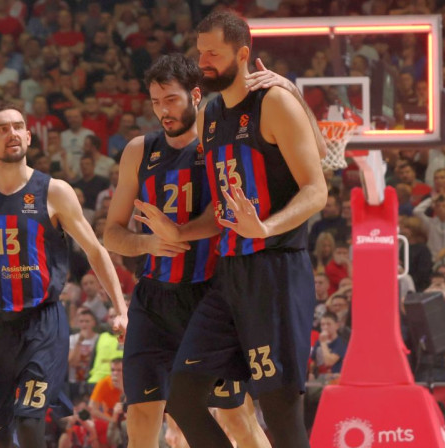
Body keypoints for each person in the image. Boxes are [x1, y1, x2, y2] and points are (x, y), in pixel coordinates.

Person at [134, 11, 327, 448]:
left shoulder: (275, 102)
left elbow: (317, 191)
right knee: (182, 397)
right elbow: (220, 210)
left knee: (280, 417)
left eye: (213, 53)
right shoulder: (209, 114)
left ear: (242, 54)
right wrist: (179, 231)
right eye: (200, 51)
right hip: (231, 273)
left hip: (276, 271)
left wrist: (265, 225)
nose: (203, 61)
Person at [0, 100, 128, 448]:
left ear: (29, 137)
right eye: (2, 129)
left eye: (17, 127)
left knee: (31, 422)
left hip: (41, 323)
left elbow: (95, 250)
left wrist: (121, 309)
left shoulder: (55, 191)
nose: (11, 134)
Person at [104, 53, 269, 448]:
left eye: (172, 100)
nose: (164, 110)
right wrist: (148, 242)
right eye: (156, 102)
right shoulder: (139, 151)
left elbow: (225, 212)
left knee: (235, 415)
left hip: (208, 297)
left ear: (195, 95)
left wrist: (179, 233)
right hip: (153, 298)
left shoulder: (218, 146)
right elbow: (111, 233)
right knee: (142, 412)